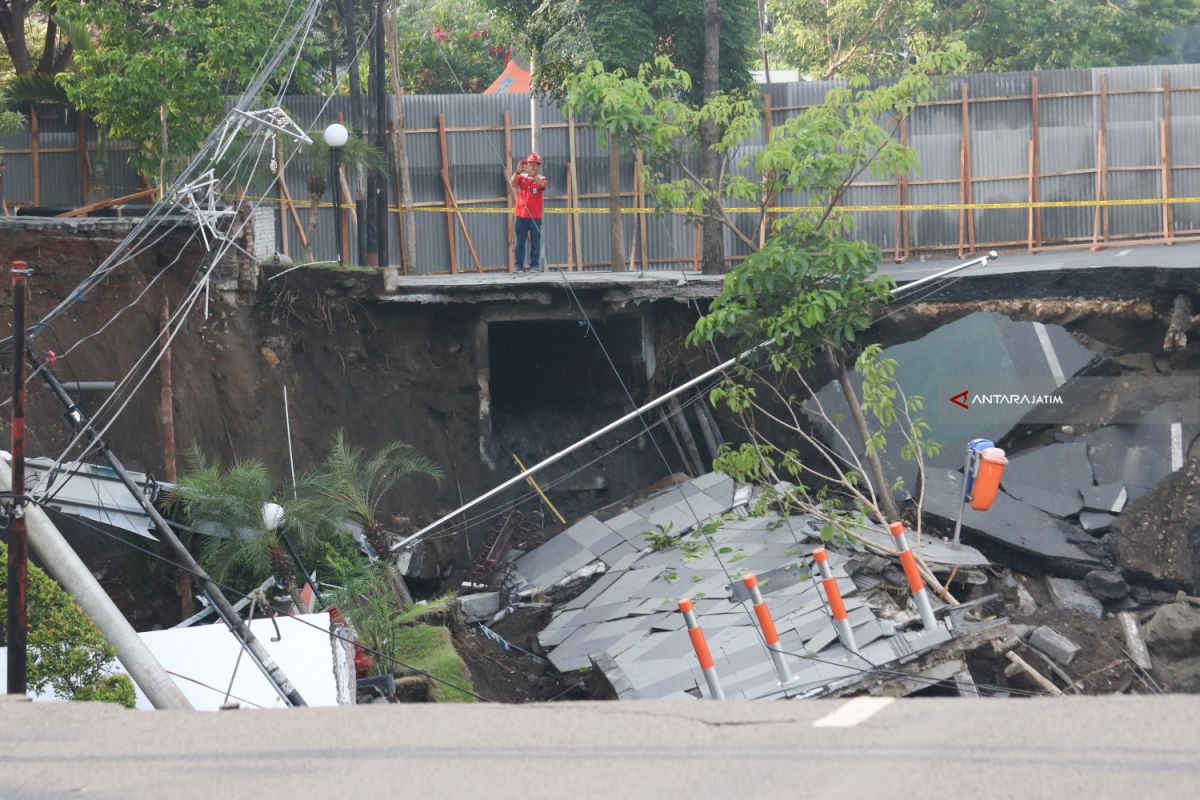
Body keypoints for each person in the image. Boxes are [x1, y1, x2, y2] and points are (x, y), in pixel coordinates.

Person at [511, 152, 547, 272]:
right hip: (521, 215)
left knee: (535, 242)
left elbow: (542, 186)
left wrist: (533, 175)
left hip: (535, 216)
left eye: (533, 165)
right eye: (529, 165)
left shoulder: (541, 178)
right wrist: (517, 172)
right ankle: (518, 266)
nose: (531, 167)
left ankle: (534, 266)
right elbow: (512, 182)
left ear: (538, 166)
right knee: (519, 241)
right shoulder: (522, 177)